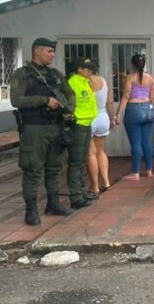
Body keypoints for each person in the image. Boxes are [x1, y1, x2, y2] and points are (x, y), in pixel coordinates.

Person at [10, 38, 74, 226]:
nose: (53, 55)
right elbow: (16, 100)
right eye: (49, 51)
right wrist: (44, 100)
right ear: (36, 51)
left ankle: (53, 204)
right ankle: (31, 210)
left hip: (56, 126)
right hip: (34, 129)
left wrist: (69, 109)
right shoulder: (22, 75)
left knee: (55, 167)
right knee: (32, 168)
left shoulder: (55, 74)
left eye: (53, 52)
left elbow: (70, 92)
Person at [115, 54, 154, 179]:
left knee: (136, 143)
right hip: (149, 109)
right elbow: (153, 97)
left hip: (134, 109)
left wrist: (118, 114)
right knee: (146, 142)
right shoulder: (150, 78)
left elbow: (126, 96)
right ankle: (149, 170)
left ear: (132, 65)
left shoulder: (130, 78)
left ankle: (135, 173)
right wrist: (151, 110)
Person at [65, 58, 98, 208]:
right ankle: (75, 195)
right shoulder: (73, 83)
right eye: (88, 68)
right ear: (79, 69)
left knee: (82, 159)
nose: (91, 71)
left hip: (86, 124)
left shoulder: (85, 82)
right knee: (75, 161)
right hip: (77, 125)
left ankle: (81, 190)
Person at [87, 63, 115, 195]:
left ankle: (95, 186)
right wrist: (112, 118)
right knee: (100, 151)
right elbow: (110, 102)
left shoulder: (84, 82)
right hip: (103, 116)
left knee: (90, 153)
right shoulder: (103, 81)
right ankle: (106, 182)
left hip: (89, 117)